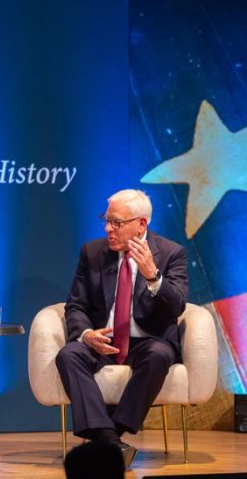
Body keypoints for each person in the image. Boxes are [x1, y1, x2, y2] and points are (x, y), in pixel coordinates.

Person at [55, 189, 188, 468]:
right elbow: (75, 305)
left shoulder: (171, 253)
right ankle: (109, 440)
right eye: (106, 220)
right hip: (104, 339)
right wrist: (87, 335)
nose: (108, 229)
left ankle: (109, 434)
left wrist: (153, 276)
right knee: (69, 354)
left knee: (160, 354)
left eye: (116, 223)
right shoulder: (92, 252)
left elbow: (177, 307)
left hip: (147, 341)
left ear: (141, 224)